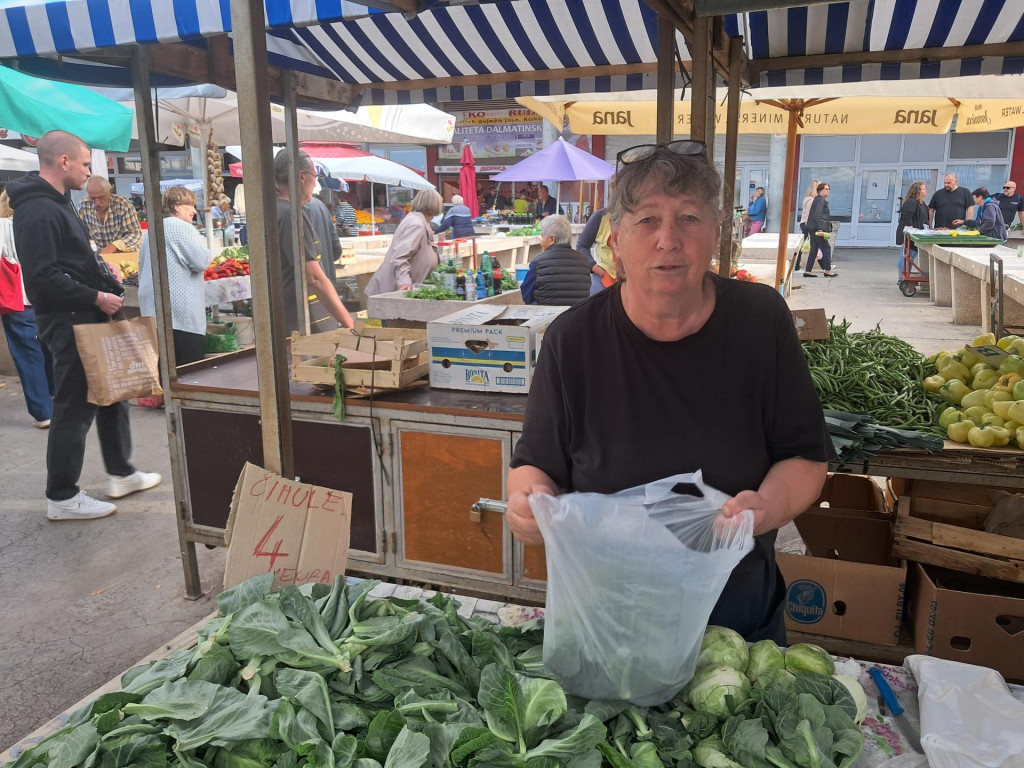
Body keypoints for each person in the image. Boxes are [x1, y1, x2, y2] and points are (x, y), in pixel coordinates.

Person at [505, 139, 830, 644]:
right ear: (615, 242)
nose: (668, 240)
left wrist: (768, 507)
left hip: (734, 609)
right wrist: (530, 503)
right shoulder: (573, 339)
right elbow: (536, 464)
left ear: (716, 234)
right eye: (647, 220)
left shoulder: (760, 320)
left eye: (689, 218)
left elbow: (805, 456)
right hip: (606, 614)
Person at [8, 130, 161, 521]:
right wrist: (95, 296)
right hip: (70, 321)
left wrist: (98, 269)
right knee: (74, 410)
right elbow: (41, 277)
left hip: (84, 317)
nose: (90, 171)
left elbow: (68, 259)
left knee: (111, 396)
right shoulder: (39, 210)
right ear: (63, 162)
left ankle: (122, 472)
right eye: (85, 163)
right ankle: (62, 496)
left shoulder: (57, 203)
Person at [274, 149, 354, 335]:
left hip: (292, 318)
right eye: (314, 176)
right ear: (301, 177)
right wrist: (347, 320)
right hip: (303, 323)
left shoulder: (277, 210)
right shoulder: (290, 214)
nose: (316, 181)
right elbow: (314, 277)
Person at [0, 189, 54, 428]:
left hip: (16, 300)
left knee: (27, 355)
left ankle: (43, 412)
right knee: (49, 349)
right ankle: (56, 398)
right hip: (45, 297)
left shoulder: (2, 226)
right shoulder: (37, 224)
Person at [138, 186, 210, 365]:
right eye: (190, 206)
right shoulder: (182, 227)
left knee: (163, 368)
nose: (194, 211)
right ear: (177, 206)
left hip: (152, 311)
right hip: (179, 312)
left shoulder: (151, 230)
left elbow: (141, 265)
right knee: (187, 370)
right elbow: (201, 261)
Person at [365, 188, 444, 296]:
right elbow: (400, 256)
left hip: (401, 291)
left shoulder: (417, 221)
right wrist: (404, 281)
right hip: (394, 291)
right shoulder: (416, 224)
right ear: (435, 205)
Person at [518, 215, 591, 306]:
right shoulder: (583, 261)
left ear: (552, 239)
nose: (540, 241)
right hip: (577, 316)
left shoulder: (538, 262)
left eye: (542, 236)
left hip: (546, 317)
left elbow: (526, 295)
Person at [78, 176, 143, 255]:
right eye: (93, 198)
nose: (97, 202)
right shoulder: (84, 205)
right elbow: (81, 233)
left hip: (127, 254)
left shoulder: (123, 205)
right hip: (102, 255)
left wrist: (113, 247)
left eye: (101, 197)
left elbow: (135, 233)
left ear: (110, 192)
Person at [576, 207, 616, 295]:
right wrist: (594, 267)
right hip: (603, 277)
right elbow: (581, 246)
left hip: (631, 279)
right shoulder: (600, 216)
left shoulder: (638, 216)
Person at [304, 194, 342, 288]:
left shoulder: (298, 209)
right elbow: (336, 250)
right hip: (327, 282)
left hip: (313, 288)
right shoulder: (321, 206)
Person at [804, 182, 838, 278]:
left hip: (813, 228)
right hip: (817, 229)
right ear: (820, 190)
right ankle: (827, 270)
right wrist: (820, 229)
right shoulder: (820, 200)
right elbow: (817, 215)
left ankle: (808, 270)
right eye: (826, 189)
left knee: (814, 249)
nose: (828, 191)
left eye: (829, 189)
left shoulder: (817, 199)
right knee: (826, 248)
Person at [897, 181, 929, 278]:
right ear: (918, 191)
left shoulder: (921, 202)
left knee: (910, 257)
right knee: (906, 256)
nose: (925, 190)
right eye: (924, 189)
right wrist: (910, 230)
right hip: (909, 235)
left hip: (917, 233)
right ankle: (902, 278)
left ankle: (905, 276)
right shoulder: (911, 202)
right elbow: (907, 217)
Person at [794, 179, 819, 271]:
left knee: (813, 245)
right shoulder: (811, 200)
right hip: (808, 224)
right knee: (810, 245)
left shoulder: (808, 198)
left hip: (805, 223)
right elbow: (809, 213)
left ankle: (825, 265)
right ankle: (797, 266)